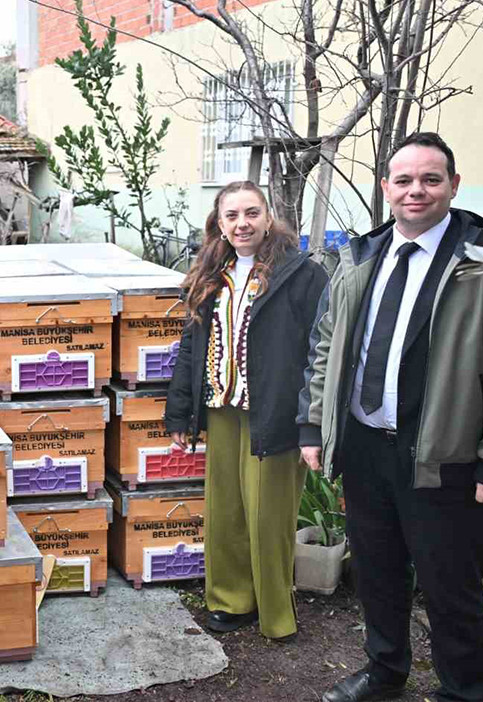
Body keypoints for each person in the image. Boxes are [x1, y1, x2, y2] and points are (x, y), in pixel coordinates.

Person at [299, 132, 483, 702]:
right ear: (386, 187)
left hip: (446, 456)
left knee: (450, 586)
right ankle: (384, 671)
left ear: (453, 186)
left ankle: (464, 691)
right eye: (405, 180)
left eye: (431, 179)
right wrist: (314, 425)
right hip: (366, 447)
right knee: (377, 572)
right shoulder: (359, 259)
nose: (417, 190)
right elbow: (325, 346)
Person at [165, 180, 328, 641]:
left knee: (267, 517)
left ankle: (275, 613)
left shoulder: (302, 274)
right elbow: (191, 346)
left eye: (252, 213)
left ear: (268, 217)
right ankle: (230, 600)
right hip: (222, 409)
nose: (243, 223)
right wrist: (180, 412)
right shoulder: (211, 275)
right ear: (219, 223)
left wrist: (311, 421)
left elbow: (321, 351)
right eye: (232, 215)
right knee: (226, 512)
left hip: (275, 414)